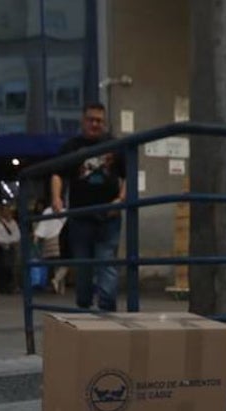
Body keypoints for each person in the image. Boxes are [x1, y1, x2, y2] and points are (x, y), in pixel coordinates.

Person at [50, 102, 127, 311]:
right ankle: (84, 307)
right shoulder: (72, 147)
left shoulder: (115, 146)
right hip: (80, 217)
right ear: (83, 121)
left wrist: (120, 200)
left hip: (108, 216)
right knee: (83, 267)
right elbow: (57, 172)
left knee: (106, 262)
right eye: (91, 119)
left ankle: (107, 310)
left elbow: (130, 174)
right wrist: (56, 197)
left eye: (99, 120)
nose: (95, 124)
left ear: (105, 122)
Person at [0, 204, 21, 293]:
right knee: (4, 267)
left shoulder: (13, 222)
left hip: (12, 246)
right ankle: (3, 287)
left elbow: (17, 235)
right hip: (2, 248)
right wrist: (5, 243)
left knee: (13, 267)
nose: (7, 212)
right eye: (4, 210)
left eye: (8, 211)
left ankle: (12, 287)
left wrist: (13, 242)